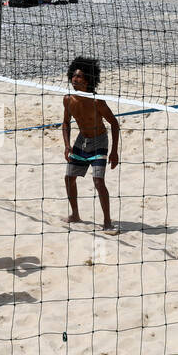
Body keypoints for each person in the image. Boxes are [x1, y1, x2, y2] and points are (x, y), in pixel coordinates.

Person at [63, 56, 120, 233]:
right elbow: (65, 123)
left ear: (88, 80)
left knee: (98, 181)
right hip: (81, 140)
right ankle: (75, 215)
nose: (75, 79)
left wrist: (114, 152)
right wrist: (66, 145)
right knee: (69, 178)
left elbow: (114, 124)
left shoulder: (97, 101)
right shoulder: (68, 99)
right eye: (73, 75)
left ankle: (107, 222)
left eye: (79, 76)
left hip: (99, 141)